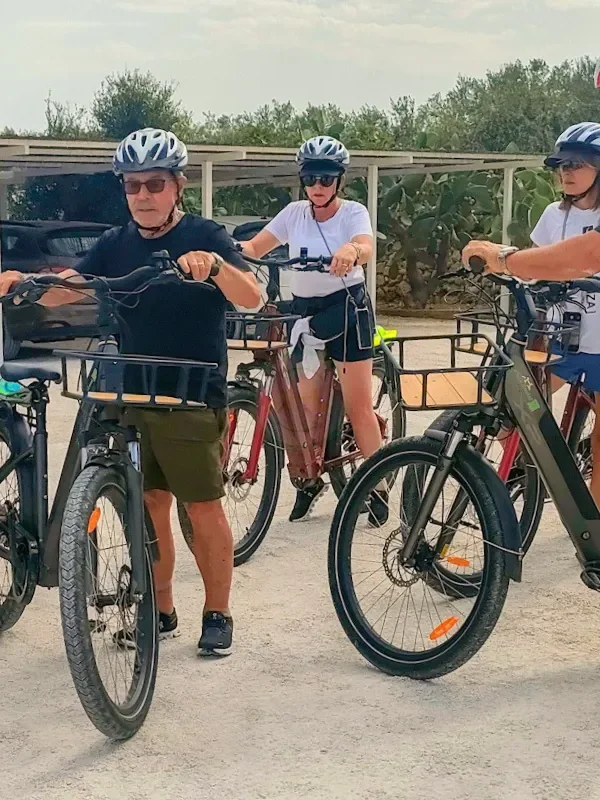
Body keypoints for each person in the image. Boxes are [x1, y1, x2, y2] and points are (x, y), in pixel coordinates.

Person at [0, 127, 261, 657]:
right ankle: (160, 609)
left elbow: (253, 296)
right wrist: (22, 285)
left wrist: (213, 268)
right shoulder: (115, 243)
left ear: (177, 186)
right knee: (148, 505)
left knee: (203, 507)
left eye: (155, 184)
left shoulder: (206, 235)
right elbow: (69, 284)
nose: (143, 195)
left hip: (190, 393)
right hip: (133, 393)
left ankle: (218, 612)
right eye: (133, 185)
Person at [240, 135, 387, 525]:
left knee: (358, 408)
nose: (317, 187)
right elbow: (256, 247)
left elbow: (365, 245)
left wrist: (351, 252)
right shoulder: (293, 214)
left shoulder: (352, 212)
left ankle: (377, 487)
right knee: (304, 410)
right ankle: (310, 480)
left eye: (326, 178)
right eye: (310, 179)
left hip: (346, 311)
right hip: (305, 315)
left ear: (339, 180)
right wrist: (224, 250)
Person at [463, 121, 600, 504]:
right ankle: (528, 469)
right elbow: (538, 264)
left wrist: (506, 258)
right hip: (559, 338)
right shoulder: (553, 215)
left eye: (576, 163)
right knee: (506, 404)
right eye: (560, 164)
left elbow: (587, 256)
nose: (565, 172)